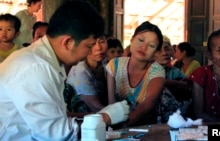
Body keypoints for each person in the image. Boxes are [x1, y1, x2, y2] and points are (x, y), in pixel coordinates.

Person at [0, 1, 129, 140]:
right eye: (89, 46)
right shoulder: (36, 67)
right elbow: (56, 135)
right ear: (68, 42)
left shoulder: (47, 61)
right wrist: (105, 117)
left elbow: (57, 118)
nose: (92, 51)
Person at [106, 21, 165, 127]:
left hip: (145, 126)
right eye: (140, 40)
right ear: (132, 39)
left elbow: (148, 103)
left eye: (151, 46)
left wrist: (125, 123)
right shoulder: (115, 65)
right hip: (117, 124)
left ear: (155, 53)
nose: (144, 47)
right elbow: (112, 103)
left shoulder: (156, 70)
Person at [189, 29, 220, 122]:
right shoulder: (201, 74)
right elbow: (198, 113)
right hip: (205, 127)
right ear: (209, 54)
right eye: (219, 50)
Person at [65, 35, 108, 113]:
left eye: (102, 41)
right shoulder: (80, 70)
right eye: (93, 43)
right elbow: (96, 108)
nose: (98, 47)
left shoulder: (105, 64)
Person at [154, 35, 192, 123]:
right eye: (159, 50)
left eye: (167, 48)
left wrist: (167, 82)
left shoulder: (175, 71)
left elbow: (189, 86)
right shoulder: (146, 72)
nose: (164, 53)